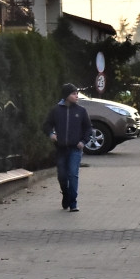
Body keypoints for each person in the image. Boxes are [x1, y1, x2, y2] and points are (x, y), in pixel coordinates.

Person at [42, 83, 92, 212]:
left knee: (73, 174)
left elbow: (88, 128)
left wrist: (83, 141)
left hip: (76, 148)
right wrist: (51, 134)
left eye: (77, 93)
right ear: (66, 95)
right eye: (73, 94)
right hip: (61, 149)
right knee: (62, 176)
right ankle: (66, 194)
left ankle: (73, 203)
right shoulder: (56, 110)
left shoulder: (81, 111)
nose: (76, 96)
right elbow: (46, 125)